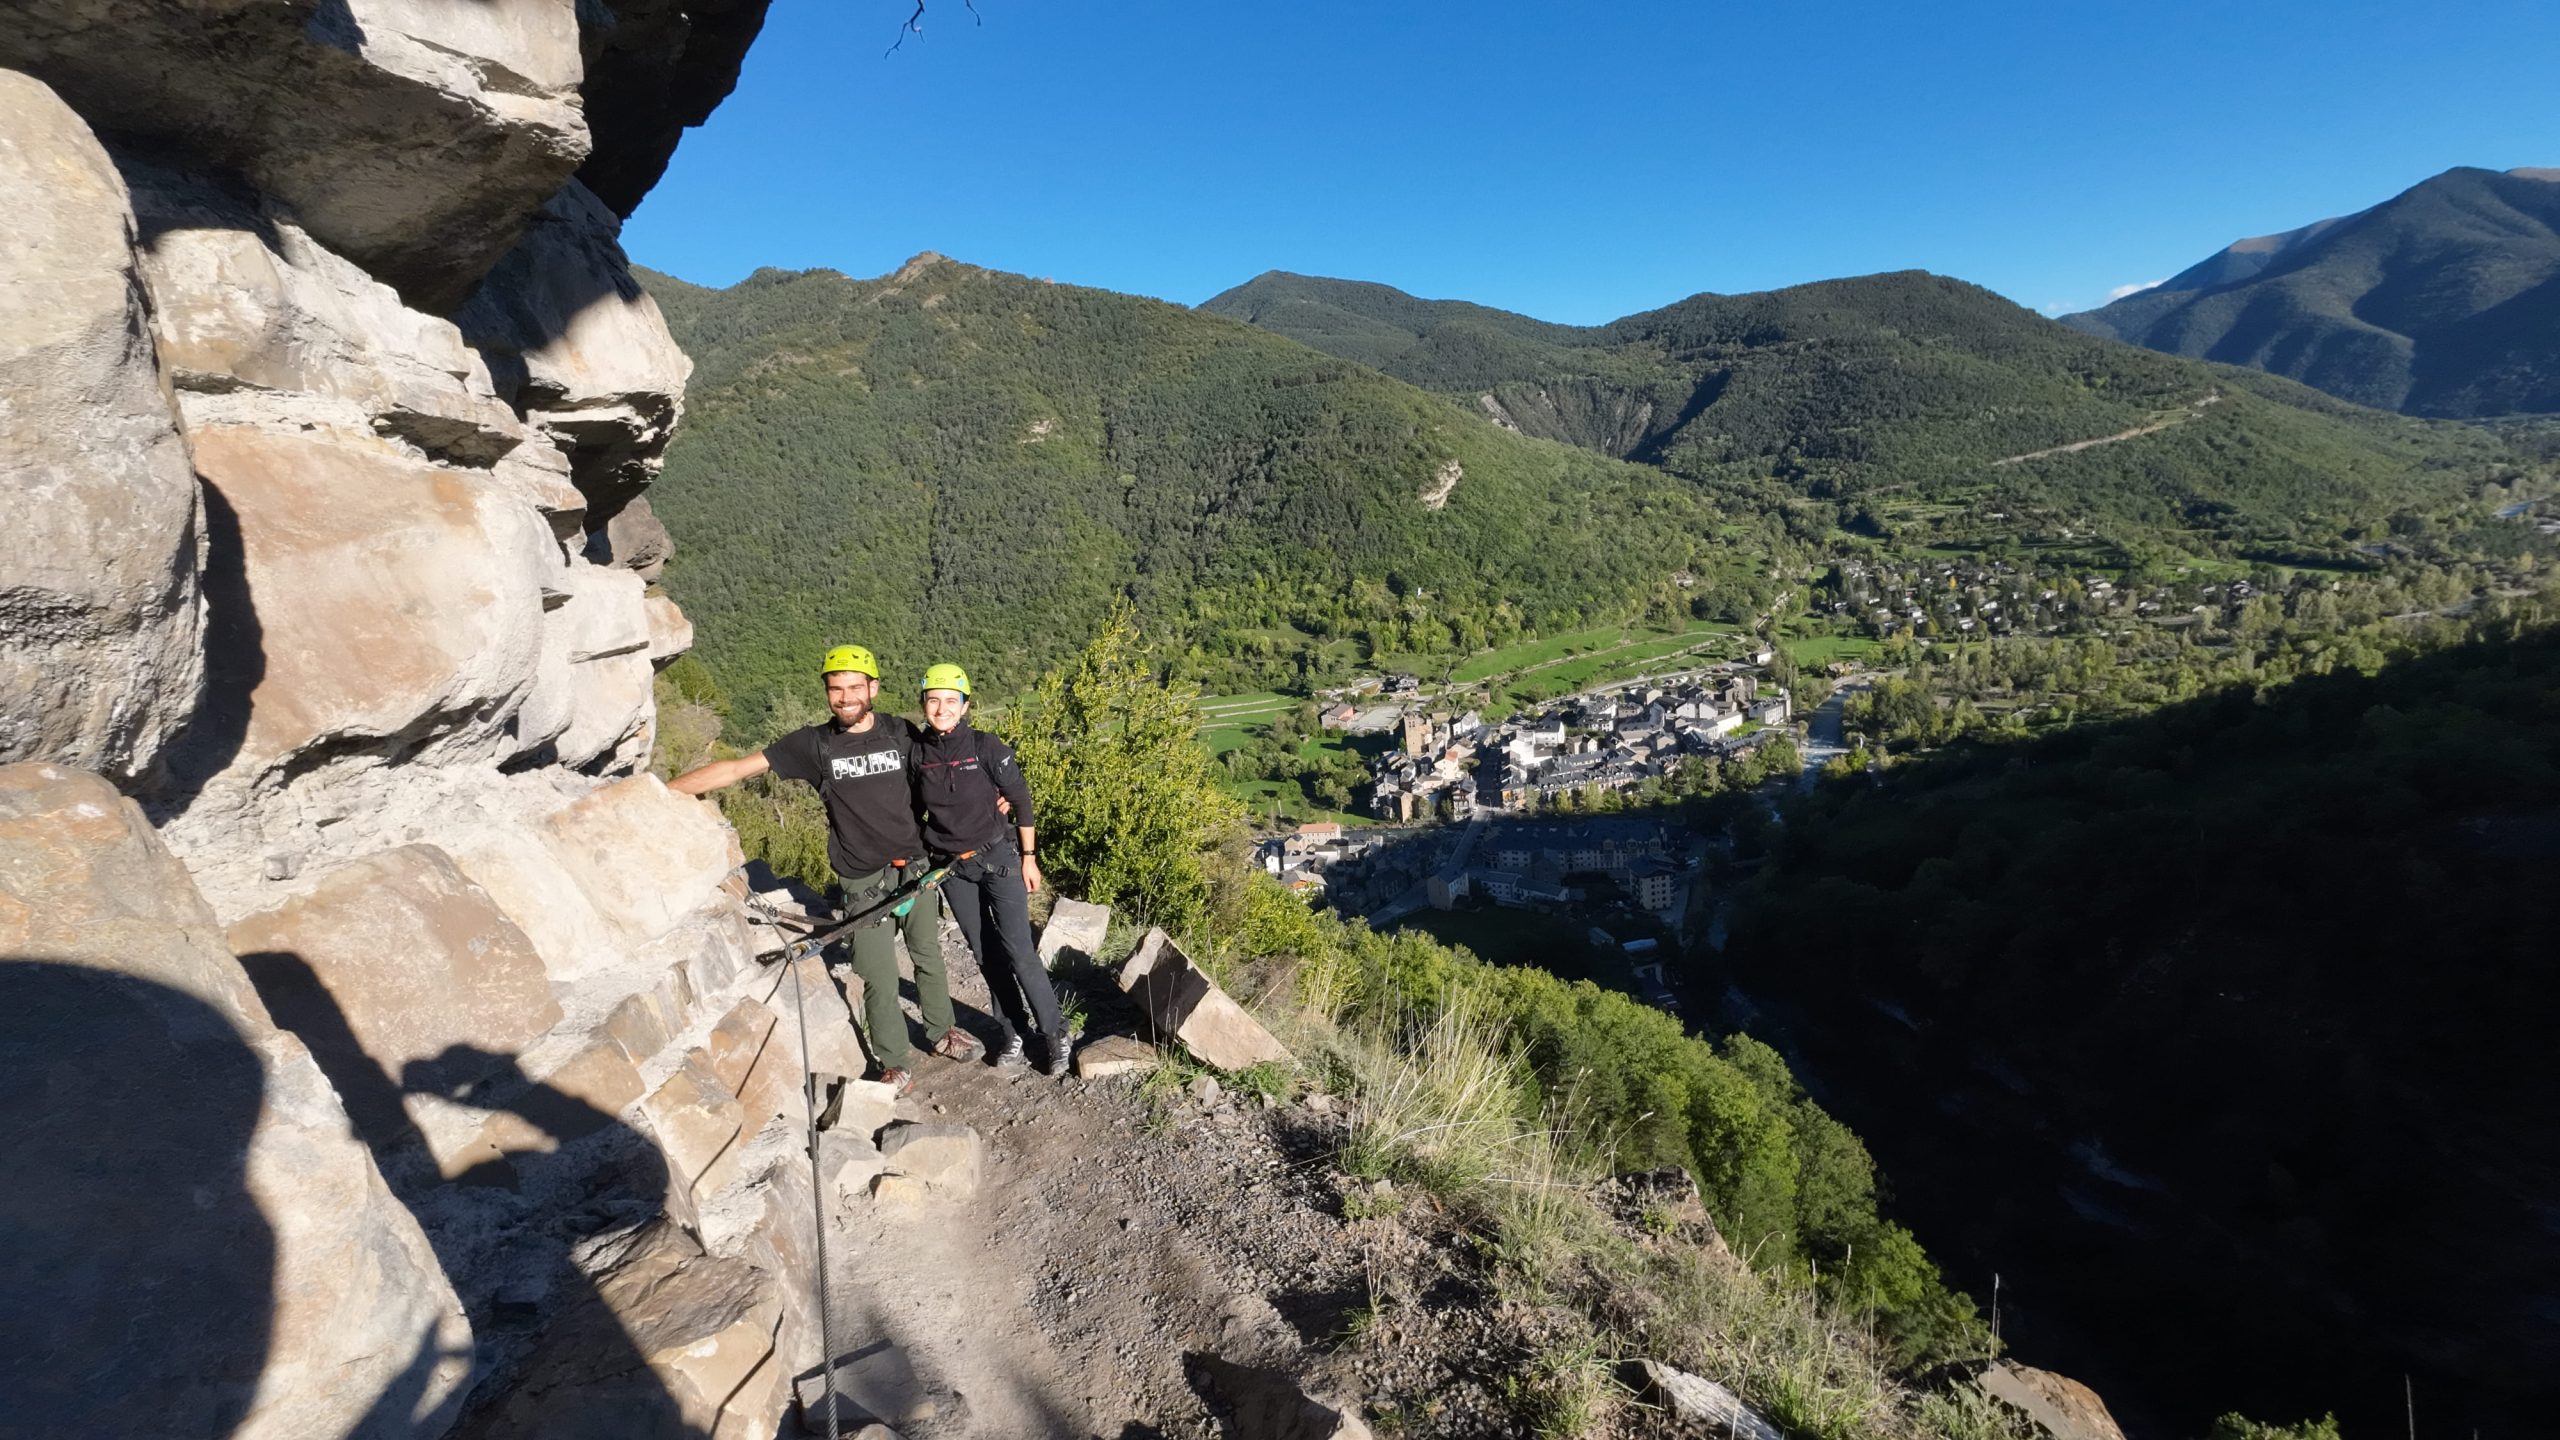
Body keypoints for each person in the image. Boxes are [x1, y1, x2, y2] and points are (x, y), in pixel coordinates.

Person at [669, 645, 977, 1096]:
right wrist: (659, 790)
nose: (846, 697)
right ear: (828, 693)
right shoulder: (813, 745)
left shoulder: (900, 732)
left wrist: (994, 801)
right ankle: (893, 1060)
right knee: (878, 972)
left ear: (873, 688)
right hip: (862, 875)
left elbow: (948, 770)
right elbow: (738, 768)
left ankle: (940, 1031)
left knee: (927, 953)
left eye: (855, 687)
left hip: (914, 863)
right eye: (837, 689)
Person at [911, 663, 1074, 1076]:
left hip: (999, 859)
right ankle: (1014, 1031)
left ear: (965, 706)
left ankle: (1055, 1032)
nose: (942, 708)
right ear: (924, 705)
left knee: (1019, 951)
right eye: (934, 700)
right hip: (954, 869)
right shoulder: (918, 755)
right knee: (985, 955)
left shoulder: (986, 747)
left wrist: (1029, 857)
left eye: (951, 701)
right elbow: (913, 812)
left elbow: (1021, 801)